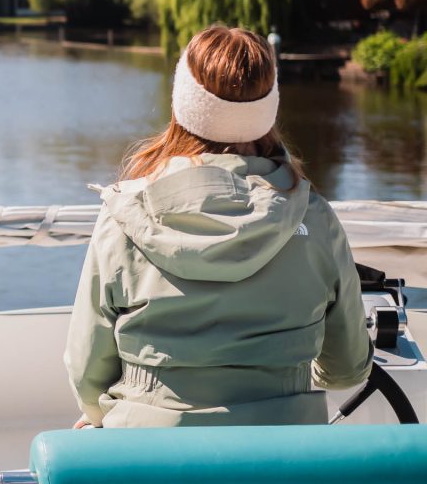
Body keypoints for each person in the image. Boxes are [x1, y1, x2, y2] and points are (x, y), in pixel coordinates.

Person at [65, 25, 373, 428]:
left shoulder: (124, 215)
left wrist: (98, 414)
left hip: (149, 451)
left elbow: (87, 371)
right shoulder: (314, 218)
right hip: (286, 455)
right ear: (268, 109)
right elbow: (347, 370)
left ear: (183, 105)